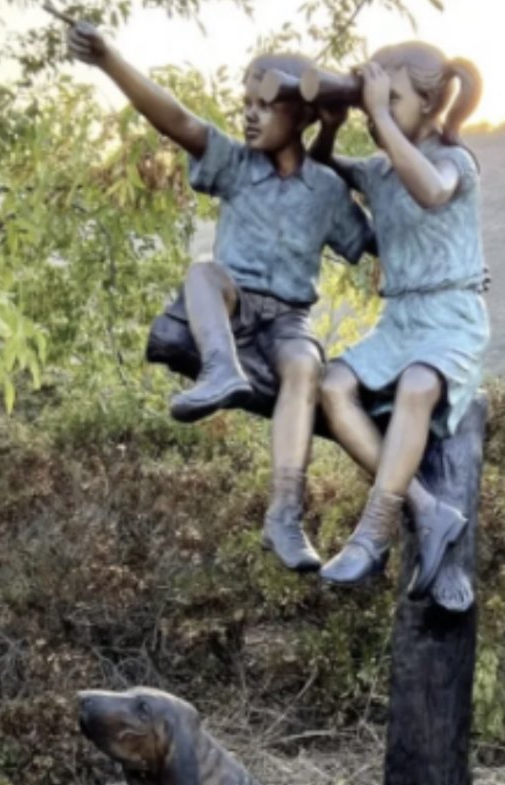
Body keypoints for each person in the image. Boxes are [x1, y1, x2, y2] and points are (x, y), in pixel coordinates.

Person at [67, 24, 374, 572]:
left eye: (265, 106)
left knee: (305, 365)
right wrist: (110, 59)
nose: (250, 116)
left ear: (300, 117)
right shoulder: (236, 165)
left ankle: (284, 514)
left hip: (288, 320)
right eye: (245, 104)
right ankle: (220, 369)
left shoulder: (327, 189)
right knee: (204, 273)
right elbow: (176, 118)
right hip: (233, 305)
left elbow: (373, 240)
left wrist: (457, 268)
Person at [310, 42, 489, 600]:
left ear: (430, 102)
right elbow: (319, 170)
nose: (376, 112)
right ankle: (425, 506)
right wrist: (333, 126)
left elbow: (432, 192)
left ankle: (373, 532)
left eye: (392, 100)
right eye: (373, 103)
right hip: (400, 319)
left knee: (418, 384)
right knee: (333, 386)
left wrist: (380, 117)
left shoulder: (452, 161)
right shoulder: (380, 168)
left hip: (451, 315)